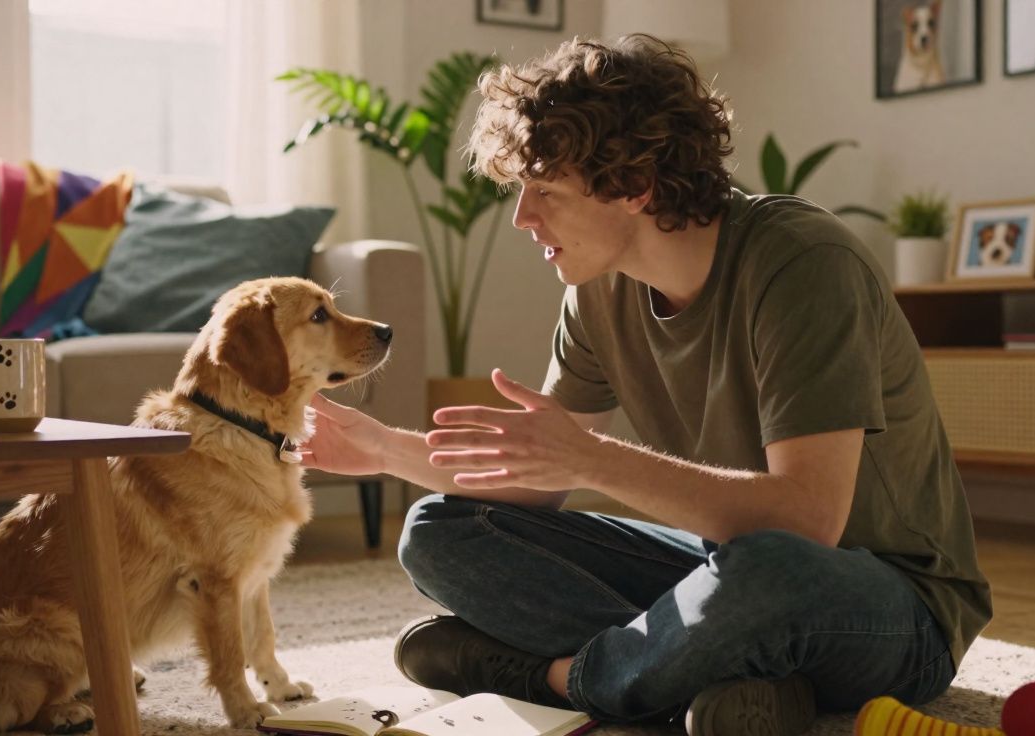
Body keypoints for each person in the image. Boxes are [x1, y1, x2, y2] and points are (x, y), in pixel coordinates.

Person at [297, 34, 991, 736]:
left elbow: (808, 523)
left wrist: (591, 458)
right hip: (727, 568)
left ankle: (560, 678)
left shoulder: (803, 264)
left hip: (889, 602)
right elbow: (539, 480)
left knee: (774, 568)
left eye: (544, 191)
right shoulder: (599, 290)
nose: (522, 218)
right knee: (441, 529)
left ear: (634, 185)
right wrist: (384, 450)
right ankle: (729, 679)